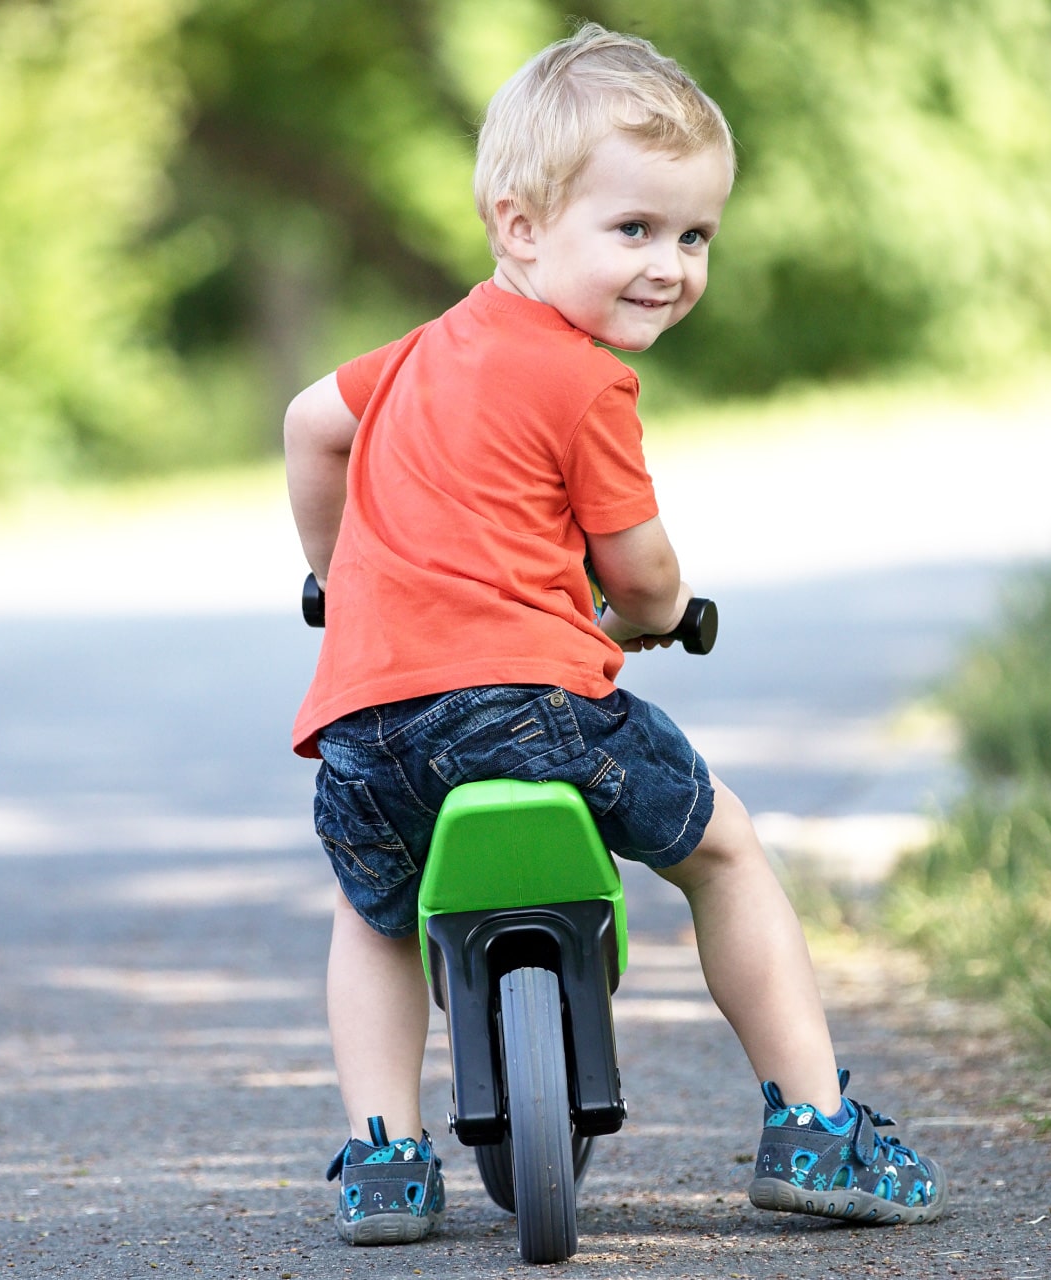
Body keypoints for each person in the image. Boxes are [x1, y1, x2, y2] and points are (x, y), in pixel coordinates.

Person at [284, 22, 946, 1248]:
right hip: (528, 706)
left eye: (694, 234)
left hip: (365, 725)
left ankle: (383, 1156)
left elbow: (308, 422)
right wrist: (645, 617)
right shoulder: (584, 380)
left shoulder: (418, 354)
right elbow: (641, 576)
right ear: (520, 226)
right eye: (633, 229)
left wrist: (337, 577)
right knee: (726, 851)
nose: (671, 264)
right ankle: (813, 1121)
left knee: (374, 908)